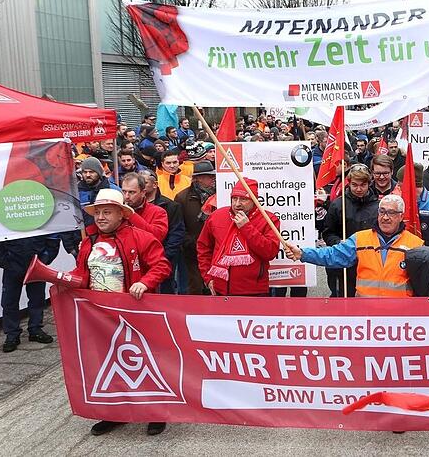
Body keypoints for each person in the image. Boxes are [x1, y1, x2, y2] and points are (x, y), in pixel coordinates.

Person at [74, 188, 171, 437]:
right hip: (100, 316)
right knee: (108, 363)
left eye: (107, 212)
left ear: (121, 214)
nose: (101, 217)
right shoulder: (89, 242)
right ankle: (114, 413)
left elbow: (161, 266)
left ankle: (156, 412)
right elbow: (82, 275)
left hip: (136, 313)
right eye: (97, 212)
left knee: (146, 362)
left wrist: (145, 282)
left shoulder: (141, 237)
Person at [288, 195, 429, 296]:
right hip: (365, 315)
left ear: (401, 216)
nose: (385, 217)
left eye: (391, 213)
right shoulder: (360, 239)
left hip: (400, 317)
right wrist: (302, 254)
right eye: (382, 211)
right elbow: (332, 255)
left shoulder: (415, 244)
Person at [197, 178, 282, 296]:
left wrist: (246, 227)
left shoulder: (268, 219)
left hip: (254, 291)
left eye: (243, 199)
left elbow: (270, 251)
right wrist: (208, 277)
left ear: (254, 200)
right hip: (220, 289)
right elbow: (203, 247)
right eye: (234, 198)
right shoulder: (217, 216)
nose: (237, 204)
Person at [0, 234, 60, 352]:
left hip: (37, 264)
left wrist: (44, 259)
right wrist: (7, 262)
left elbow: (52, 236)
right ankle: (12, 335)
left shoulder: (38, 216)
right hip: (12, 267)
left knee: (37, 299)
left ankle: (35, 329)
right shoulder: (4, 218)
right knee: (9, 302)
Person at [322, 164, 379, 297]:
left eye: (362, 185)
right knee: (343, 297)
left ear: (369, 184)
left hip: (369, 261)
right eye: (354, 185)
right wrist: (339, 242)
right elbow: (328, 233)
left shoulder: (378, 206)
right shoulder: (337, 204)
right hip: (344, 262)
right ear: (349, 183)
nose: (358, 189)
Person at [174, 161, 216, 295]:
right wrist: (191, 243)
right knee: (195, 288)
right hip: (192, 253)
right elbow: (179, 226)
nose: (212, 179)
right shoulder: (182, 198)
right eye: (209, 176)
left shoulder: (220, 195)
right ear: (198, 178)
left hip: (217, 251)